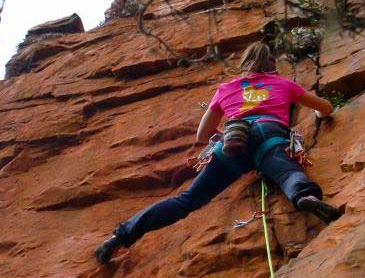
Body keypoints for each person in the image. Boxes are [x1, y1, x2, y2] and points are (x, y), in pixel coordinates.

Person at [94, 42, 341, 264]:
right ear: (272, 64)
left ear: (245, 64)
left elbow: (203, 134)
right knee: (288, 174)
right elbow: (326, 108)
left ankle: (120, 236)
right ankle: (304, 197)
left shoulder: (226, 88)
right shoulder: (283, 84)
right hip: (269, 134)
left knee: (187, 200)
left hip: (233, 140)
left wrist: (226, 138)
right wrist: (317, 115)